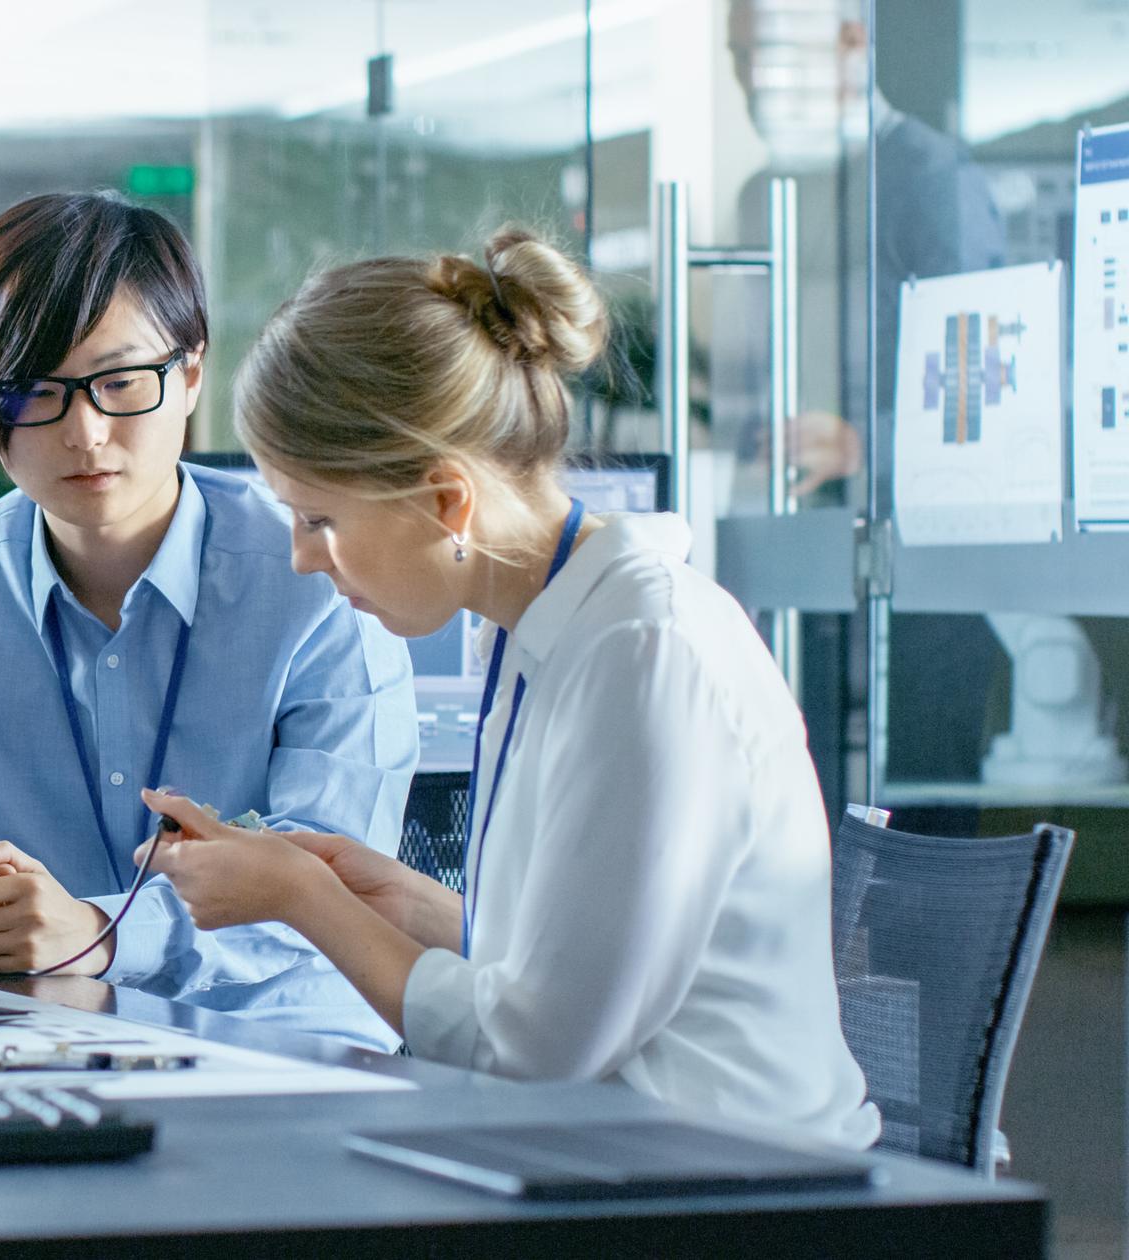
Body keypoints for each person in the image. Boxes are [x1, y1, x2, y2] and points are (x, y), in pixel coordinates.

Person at [136, 227, 880, 1146]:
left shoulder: (644, 653)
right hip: (618, 1155)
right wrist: (406, 907)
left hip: (727, 1177)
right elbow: (575, 970)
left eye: (319, 519)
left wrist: (305, 902)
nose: (302, 558)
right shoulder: (546, 630)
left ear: (447, 501)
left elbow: (535, 1051)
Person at [0, 192, 418, 1024]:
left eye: (121, 382)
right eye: (36, 391)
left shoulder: (317, 578)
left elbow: (333, 887)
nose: (86, 433)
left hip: (278, 1043)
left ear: (191, 374)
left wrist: (97, 935)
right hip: (29, 1041)